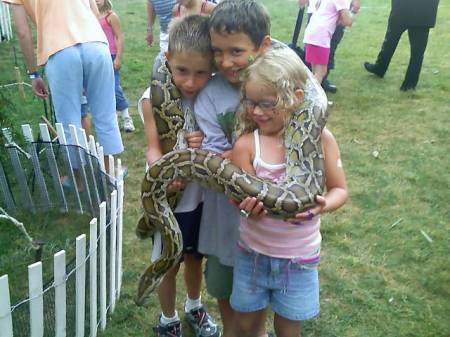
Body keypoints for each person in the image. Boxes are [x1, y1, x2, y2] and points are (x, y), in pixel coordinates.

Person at [230, 47, 348, 337]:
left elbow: (339, 190)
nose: (256, 111)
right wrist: (246, 206)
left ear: (296, 98)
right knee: (247, 325)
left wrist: (324, 204)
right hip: (252, 255)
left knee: (289, 327)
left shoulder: (321, 139)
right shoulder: (246, 145)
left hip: (299, 259)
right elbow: (238, 199)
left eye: (267, 103)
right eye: (250, 102)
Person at [194, 1, 272, 336]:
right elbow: (210, 164)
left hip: (267, 222)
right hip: (224, 220)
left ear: (263, 46)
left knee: (258, 288)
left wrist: (228, 160)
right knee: (224, 287)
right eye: (217, 52)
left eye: (236, 51)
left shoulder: (279, 86)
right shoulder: (209, 94)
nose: (225, 62)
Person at [139, 15, 219, 337]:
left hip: (199, 196)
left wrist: (203, 138)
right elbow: (151, 149)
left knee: (194, 257)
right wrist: (164, 173)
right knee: (168, 262)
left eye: (201, 73)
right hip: (167, 198)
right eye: (183, 71)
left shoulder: (211, 97)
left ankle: (194, 306)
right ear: (168, 59)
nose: (190, 81)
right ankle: (168, 318)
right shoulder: (151, 99)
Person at [3, 0, 123, 161]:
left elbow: (23, 31)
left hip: (59, 52)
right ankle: (111, 174)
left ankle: (80, 181)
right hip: (96, 44)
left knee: (69, 123)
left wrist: (33, 74)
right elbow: (95, 13)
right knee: (106, 114)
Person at [363, 0, 439, 91]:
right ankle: (382, 68)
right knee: (393, 41)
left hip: (416, 9)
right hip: (414, 9)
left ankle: (408, 83)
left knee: (414, 50)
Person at [300, 0, 360, 93]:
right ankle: (311, 99)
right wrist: (351, 13)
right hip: (321, 36)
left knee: (314, 71)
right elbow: (347, 21)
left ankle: (309, 97)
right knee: (320, 73)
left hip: (311, 32)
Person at [96, 0, 135, 132]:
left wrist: (118, 58)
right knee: (102, 90)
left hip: (111, 56)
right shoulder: (90, 16)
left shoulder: (111, 16)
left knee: (114, 87)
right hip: (97, 57)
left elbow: (119, 37)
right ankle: (112, 120)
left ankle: (126, 118)